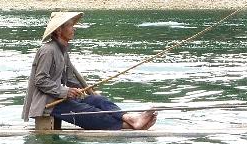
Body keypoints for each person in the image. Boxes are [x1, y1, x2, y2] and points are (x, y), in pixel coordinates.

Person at [21, 11, 157, 130]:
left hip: (60, 99)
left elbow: (71, 79)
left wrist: (89, 92)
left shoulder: (63, 52)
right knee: (88, 112)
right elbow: (41, 80)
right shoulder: (47, 50)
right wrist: (65, 91)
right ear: (58, 30)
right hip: (49, 104)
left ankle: (131, 119)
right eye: (70, 26)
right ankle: (131, 125)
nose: (73, 29)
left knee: (98, 101)